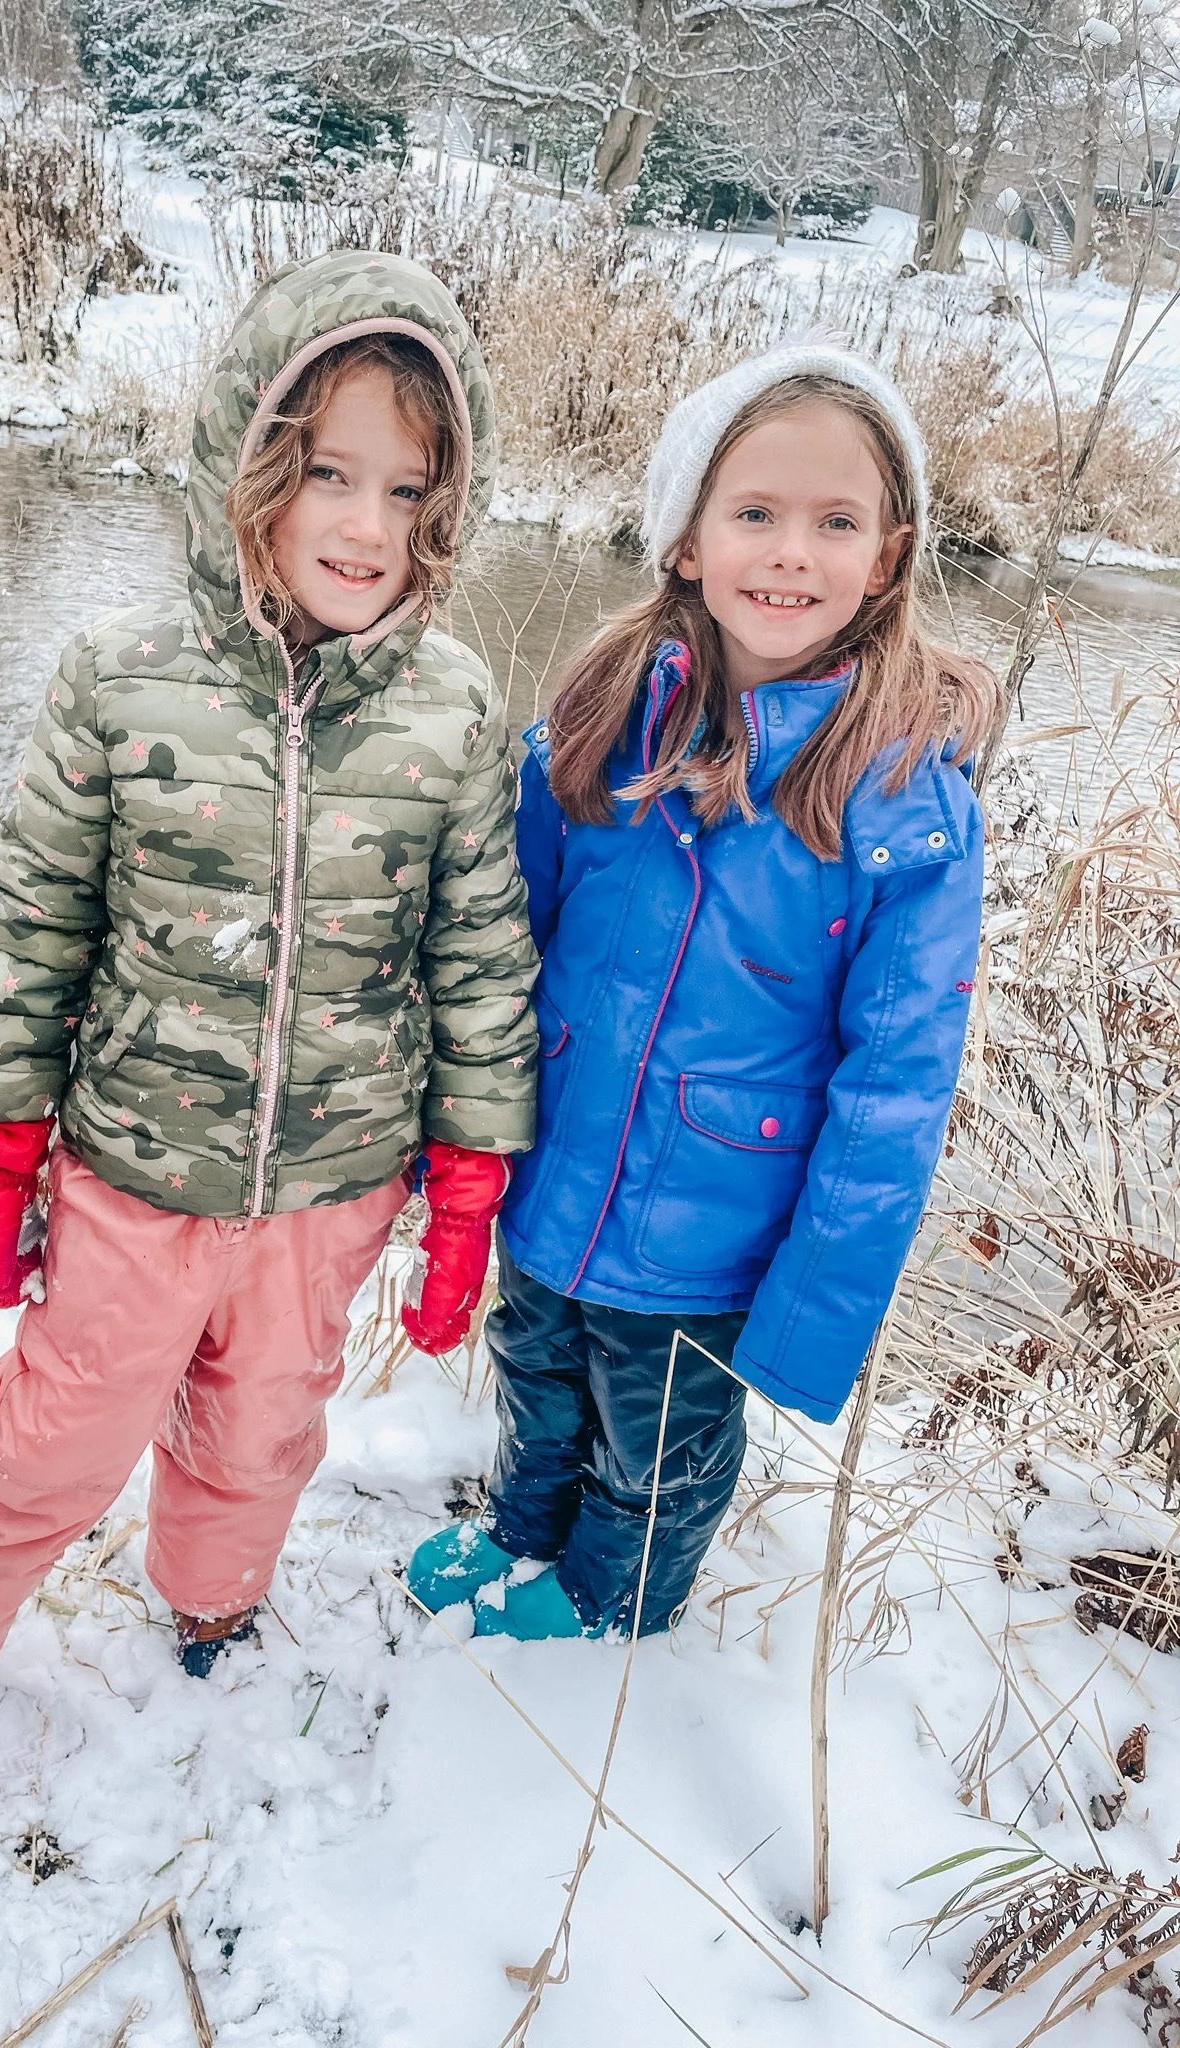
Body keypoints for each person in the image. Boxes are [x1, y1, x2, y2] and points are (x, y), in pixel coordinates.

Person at [0, 252, 538, 1804]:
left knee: (262, 1429)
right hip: (135, 1172)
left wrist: (468, 1185)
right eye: (330, 475)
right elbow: (36, 926)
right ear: (252, 468)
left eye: (409, 489)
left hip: (337, 1183)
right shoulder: (121, 678)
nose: (368, 526)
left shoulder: (452, 708)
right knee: (55, 1437)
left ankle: (212, 1603)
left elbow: (483, 953)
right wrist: (5, 1139)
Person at [408, 344, 997, 1642]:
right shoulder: (605, 725)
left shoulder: (900, 805)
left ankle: (617, 1598)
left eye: (834, 522)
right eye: (756, 514)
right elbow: (499, 944)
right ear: (686, 541)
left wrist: (812, 1307)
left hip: (712, 1229)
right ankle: (523, 1524)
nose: (792, 552)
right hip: (555, 1173)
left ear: (887, 557)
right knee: (540, 1369)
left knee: (657, 1436)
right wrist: (450, 1145)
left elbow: (895, 1090)